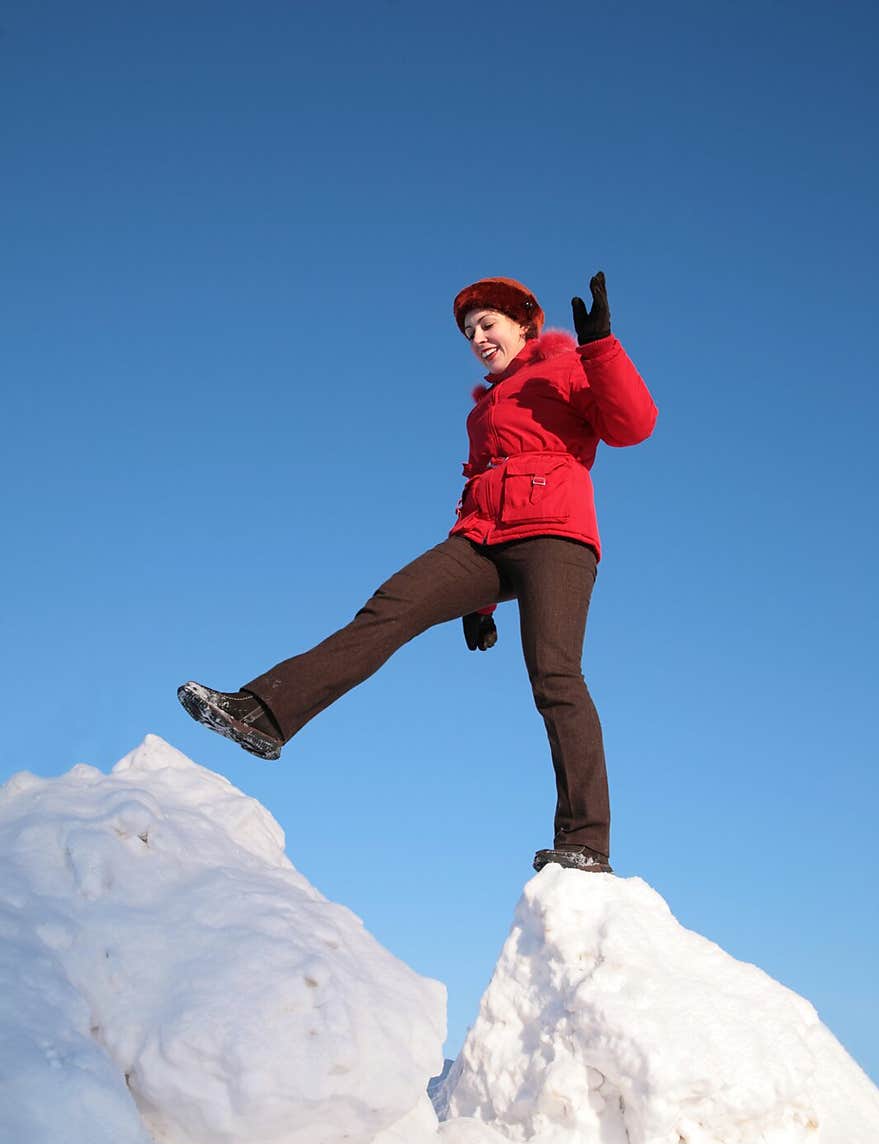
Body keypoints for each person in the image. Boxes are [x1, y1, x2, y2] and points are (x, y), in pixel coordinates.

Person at [178, 272, 657, 874]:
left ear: (523, 324)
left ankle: (586, 840)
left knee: (555, 675)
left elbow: (633, 426)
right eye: (469, 332)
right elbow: (480, 486)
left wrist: (602, 347)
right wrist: (478, 606)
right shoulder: (484, 408)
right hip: (481, 539)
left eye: (488, 325)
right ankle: (266, 714)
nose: (479, 338)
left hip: (555, 535)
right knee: (392, 606)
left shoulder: (566, 368)